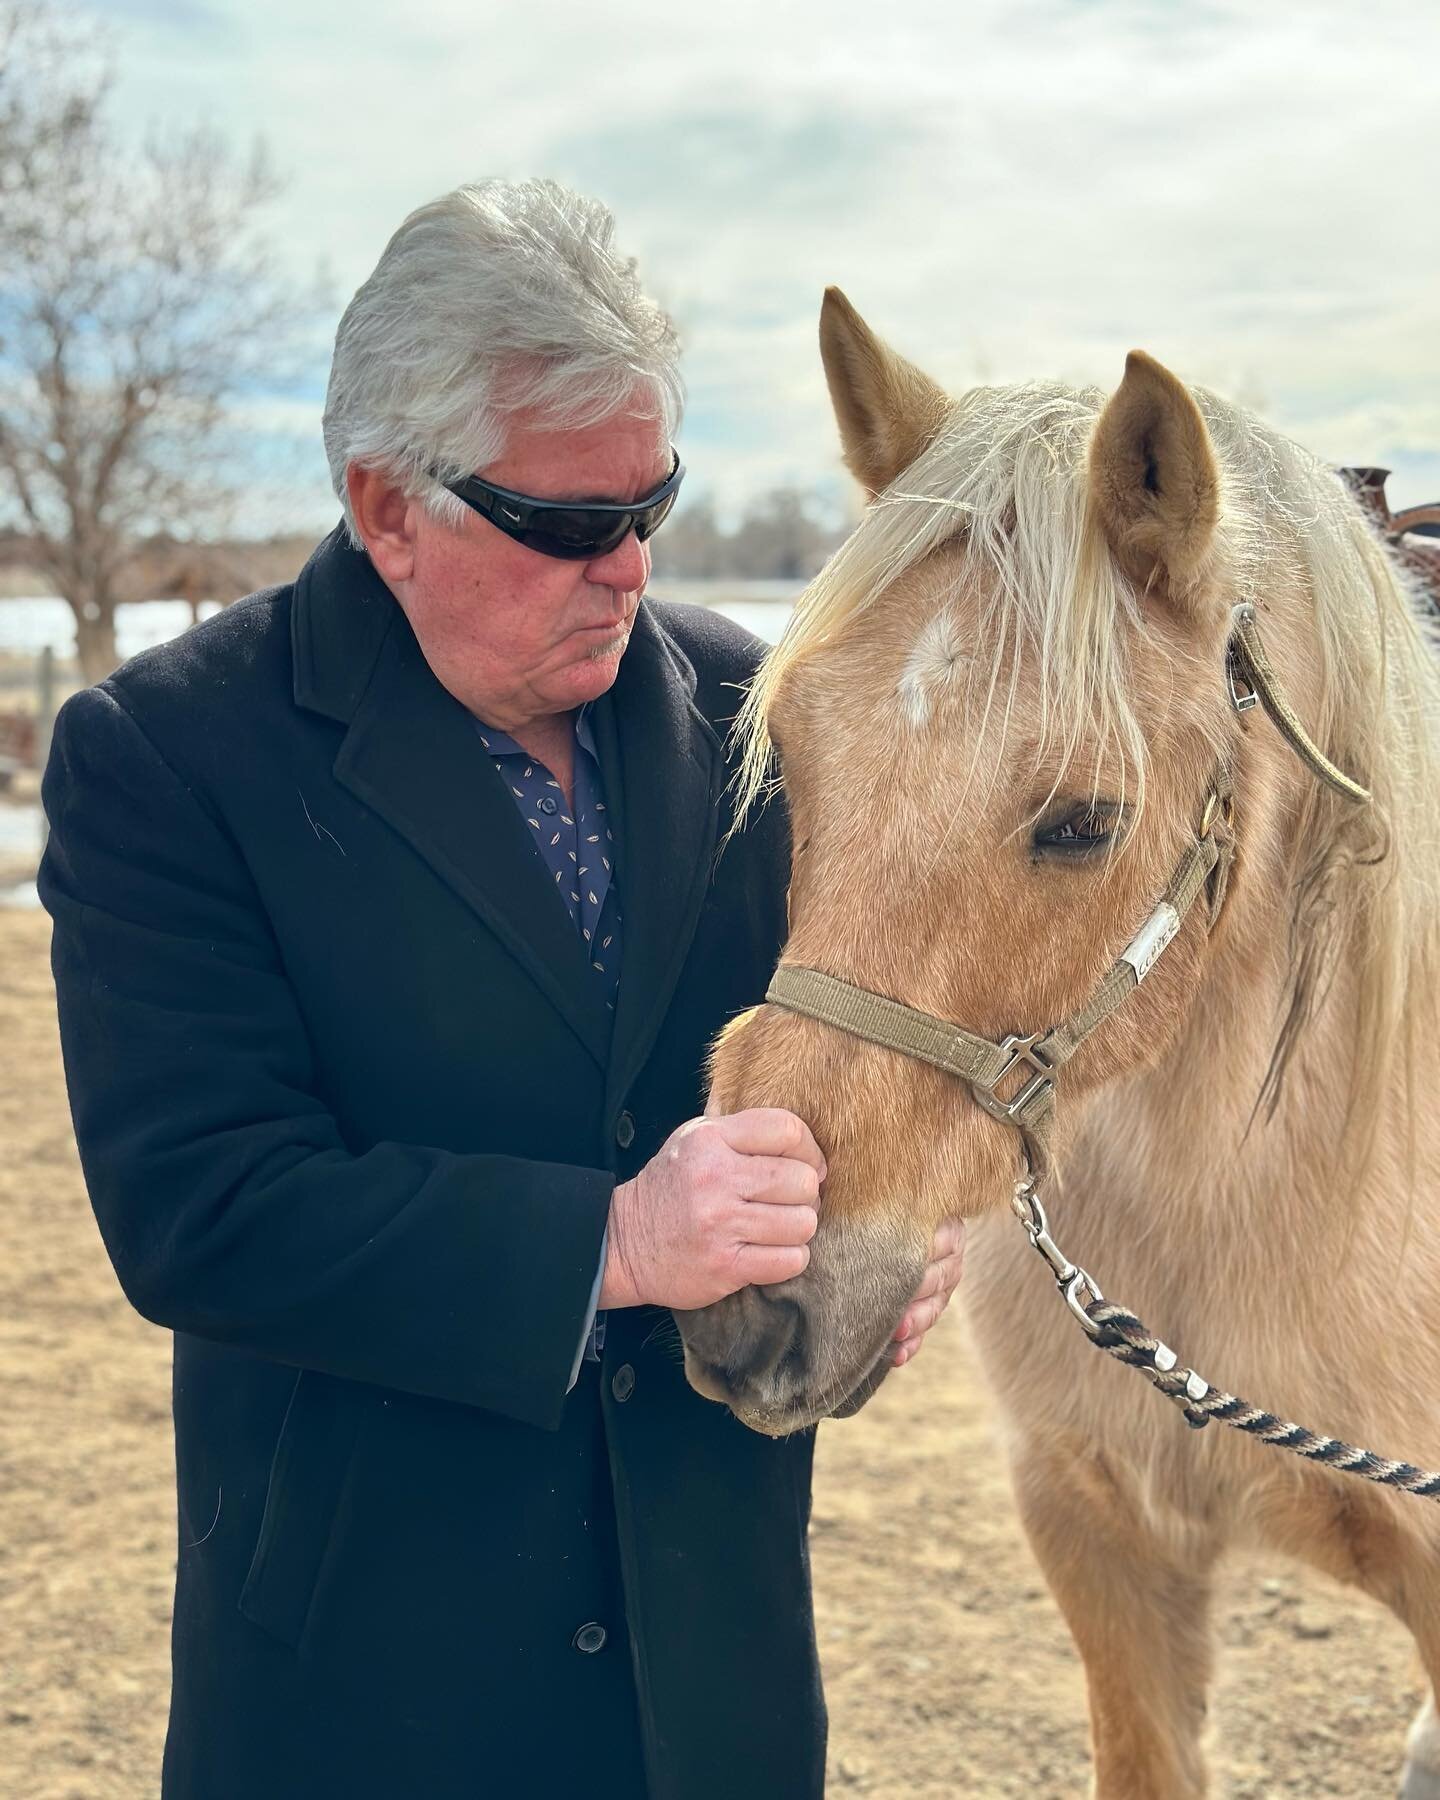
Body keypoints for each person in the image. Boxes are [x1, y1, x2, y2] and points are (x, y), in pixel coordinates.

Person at [38, 178, 965, 1800]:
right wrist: (611, 1244)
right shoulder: (168, 757)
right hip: (370, 1702)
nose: (626, 565)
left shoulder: (763, 713)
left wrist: (878, 1244)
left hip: (716, 1699)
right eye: (563, 524)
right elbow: (202, 1210)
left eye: (651, 503)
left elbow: (831, 1069)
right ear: (387, 505)